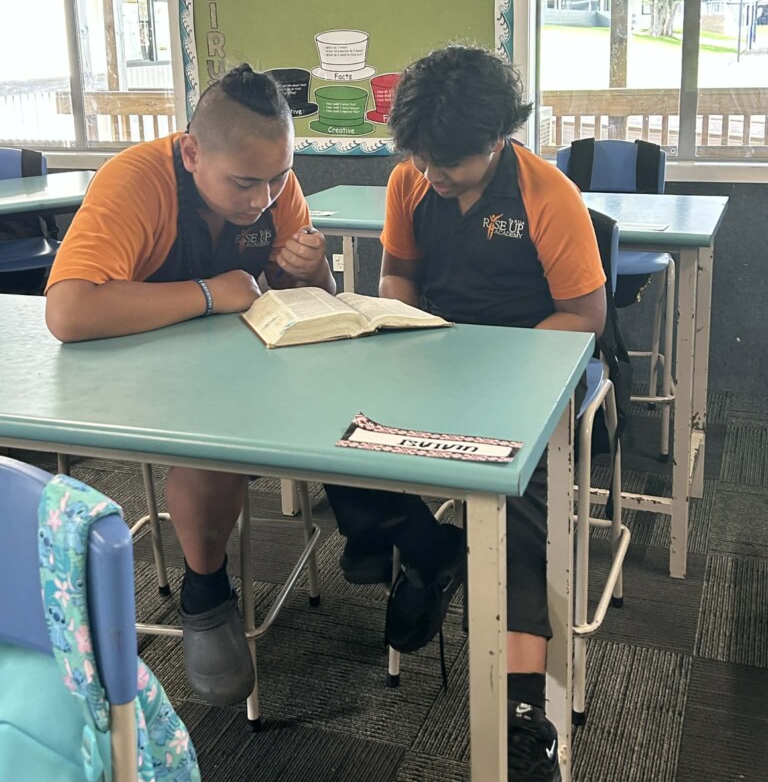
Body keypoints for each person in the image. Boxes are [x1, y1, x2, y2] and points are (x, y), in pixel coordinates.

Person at [324, 45, 606, 782]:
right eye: (420, 159)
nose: (432, 175)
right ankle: (428, 550)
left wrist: (489, 361)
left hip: (534, 367)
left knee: (516, 506)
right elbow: (399, 274)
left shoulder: (548, 195)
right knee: (337, 437)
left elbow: (584, 317)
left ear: (499, 139)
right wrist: (400, 326)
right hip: (439, 358)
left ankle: (523, 713)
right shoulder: (410, 183)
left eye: (448, 163)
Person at [45, 63, 335, 706]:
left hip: (240, 371)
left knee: (332, 400)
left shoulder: (272, 180)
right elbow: (68, 311)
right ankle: (205, 593)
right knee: (212, 441)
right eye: (244, 183)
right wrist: (210, 293)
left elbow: (306, 299)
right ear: (191, 152)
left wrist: (314, 272)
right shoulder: (135, 180)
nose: (264, 199)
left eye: (279, 178)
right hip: (136, 372)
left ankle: (379, 530)